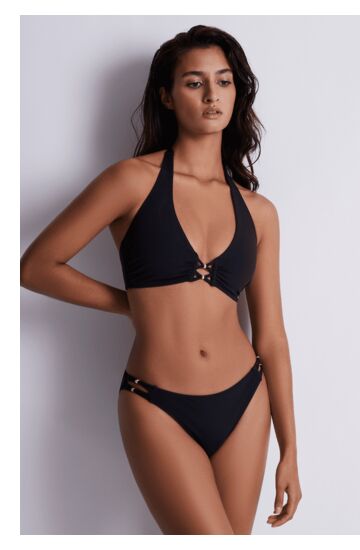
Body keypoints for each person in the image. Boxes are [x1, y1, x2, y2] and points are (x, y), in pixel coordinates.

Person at [20, 24, 302, 535]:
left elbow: (272, 338)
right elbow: (36, 266)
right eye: (195, 82)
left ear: (237, 92)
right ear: (167, 96)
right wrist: (132, 304)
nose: (212, 95)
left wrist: (291, 451)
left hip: (245, 401)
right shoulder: (130, 181)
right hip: (156, 403)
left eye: (224, 81)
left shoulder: (260, 212)